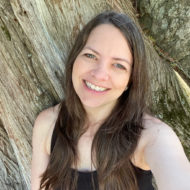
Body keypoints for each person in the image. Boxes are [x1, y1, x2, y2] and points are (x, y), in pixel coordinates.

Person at [31, 11, 190, 190]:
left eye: (118, 65)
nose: (99, 74)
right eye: (90, 55)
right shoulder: (48, 125)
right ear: (75, 58)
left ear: (130, 80)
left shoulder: (151, 136)